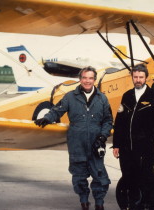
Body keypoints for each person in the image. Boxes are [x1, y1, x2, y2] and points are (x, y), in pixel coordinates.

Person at [35, 66, 112, 210]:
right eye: (84, 78)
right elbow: (57, 111)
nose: (87, 81)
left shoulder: (102, 99)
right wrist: (46, 118)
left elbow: (108, 121)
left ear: (94, 80)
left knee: (100, 177)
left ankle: (99, 204)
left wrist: (102, 136)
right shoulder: (70, 97)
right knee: (79, 176)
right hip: (77, 143)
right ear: (80, 79)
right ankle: (84, 202)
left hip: (96, 143)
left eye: (90, 78)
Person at [112, 64, 154, 210]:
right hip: (126, 147)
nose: (138, 80)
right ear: (132, 78)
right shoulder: (127, 95)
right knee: (128, 176)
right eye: (135, 77)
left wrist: (149, 137)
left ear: (146, 78)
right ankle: (132, 204)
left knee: (147, 178)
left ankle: (149, 205)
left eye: (141, 77)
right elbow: (120, 121)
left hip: (144, 147)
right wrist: (116, 144)